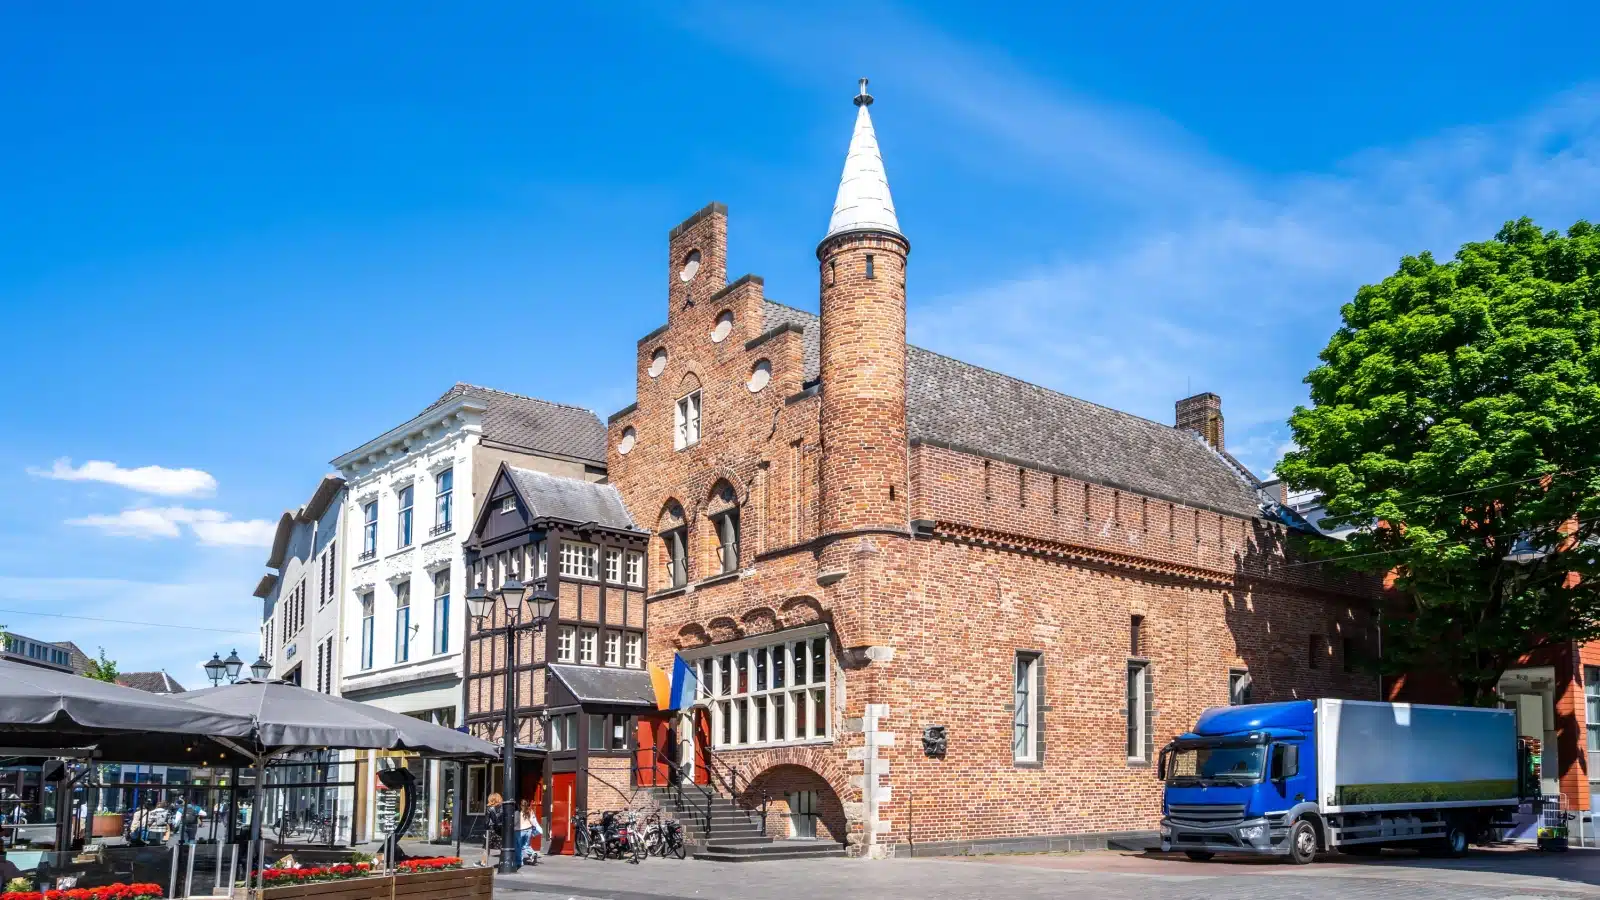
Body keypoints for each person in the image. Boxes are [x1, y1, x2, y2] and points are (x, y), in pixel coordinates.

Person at [478, 793, 503, 867]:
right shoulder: (503, 808)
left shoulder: (489, 808)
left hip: (491, 830)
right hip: (500, 830)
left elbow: (487, 821)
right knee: (501, 847)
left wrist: (485, 830)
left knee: (487, 848)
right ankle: (502, 863)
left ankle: (483, 862)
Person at [516, 799, 540, 866]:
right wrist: (535, 828)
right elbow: (533, 821)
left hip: (519, 830)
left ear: (520, 805)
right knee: (527, 845)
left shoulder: (518, 812)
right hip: (529, 830)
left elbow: (515, 822)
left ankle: (519, 862)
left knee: (519, 846)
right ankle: (532, 854)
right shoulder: (530, 811)